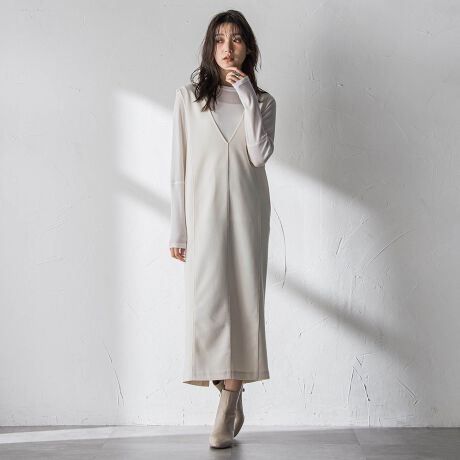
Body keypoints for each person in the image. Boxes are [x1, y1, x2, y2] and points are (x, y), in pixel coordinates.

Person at [169, 9, 276, 449]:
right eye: (219, 39)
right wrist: (179, 229)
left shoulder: (263, 102)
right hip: (204, 217)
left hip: (249, 215)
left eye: (235, 39)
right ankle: (229, 389)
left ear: (248, 47)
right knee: (209, 307)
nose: (227, 47)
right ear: (210, 48)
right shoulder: (188, 99)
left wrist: (248, 97)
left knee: (244, 304)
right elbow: (178, 170)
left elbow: (259, 155)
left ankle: (228, 404)